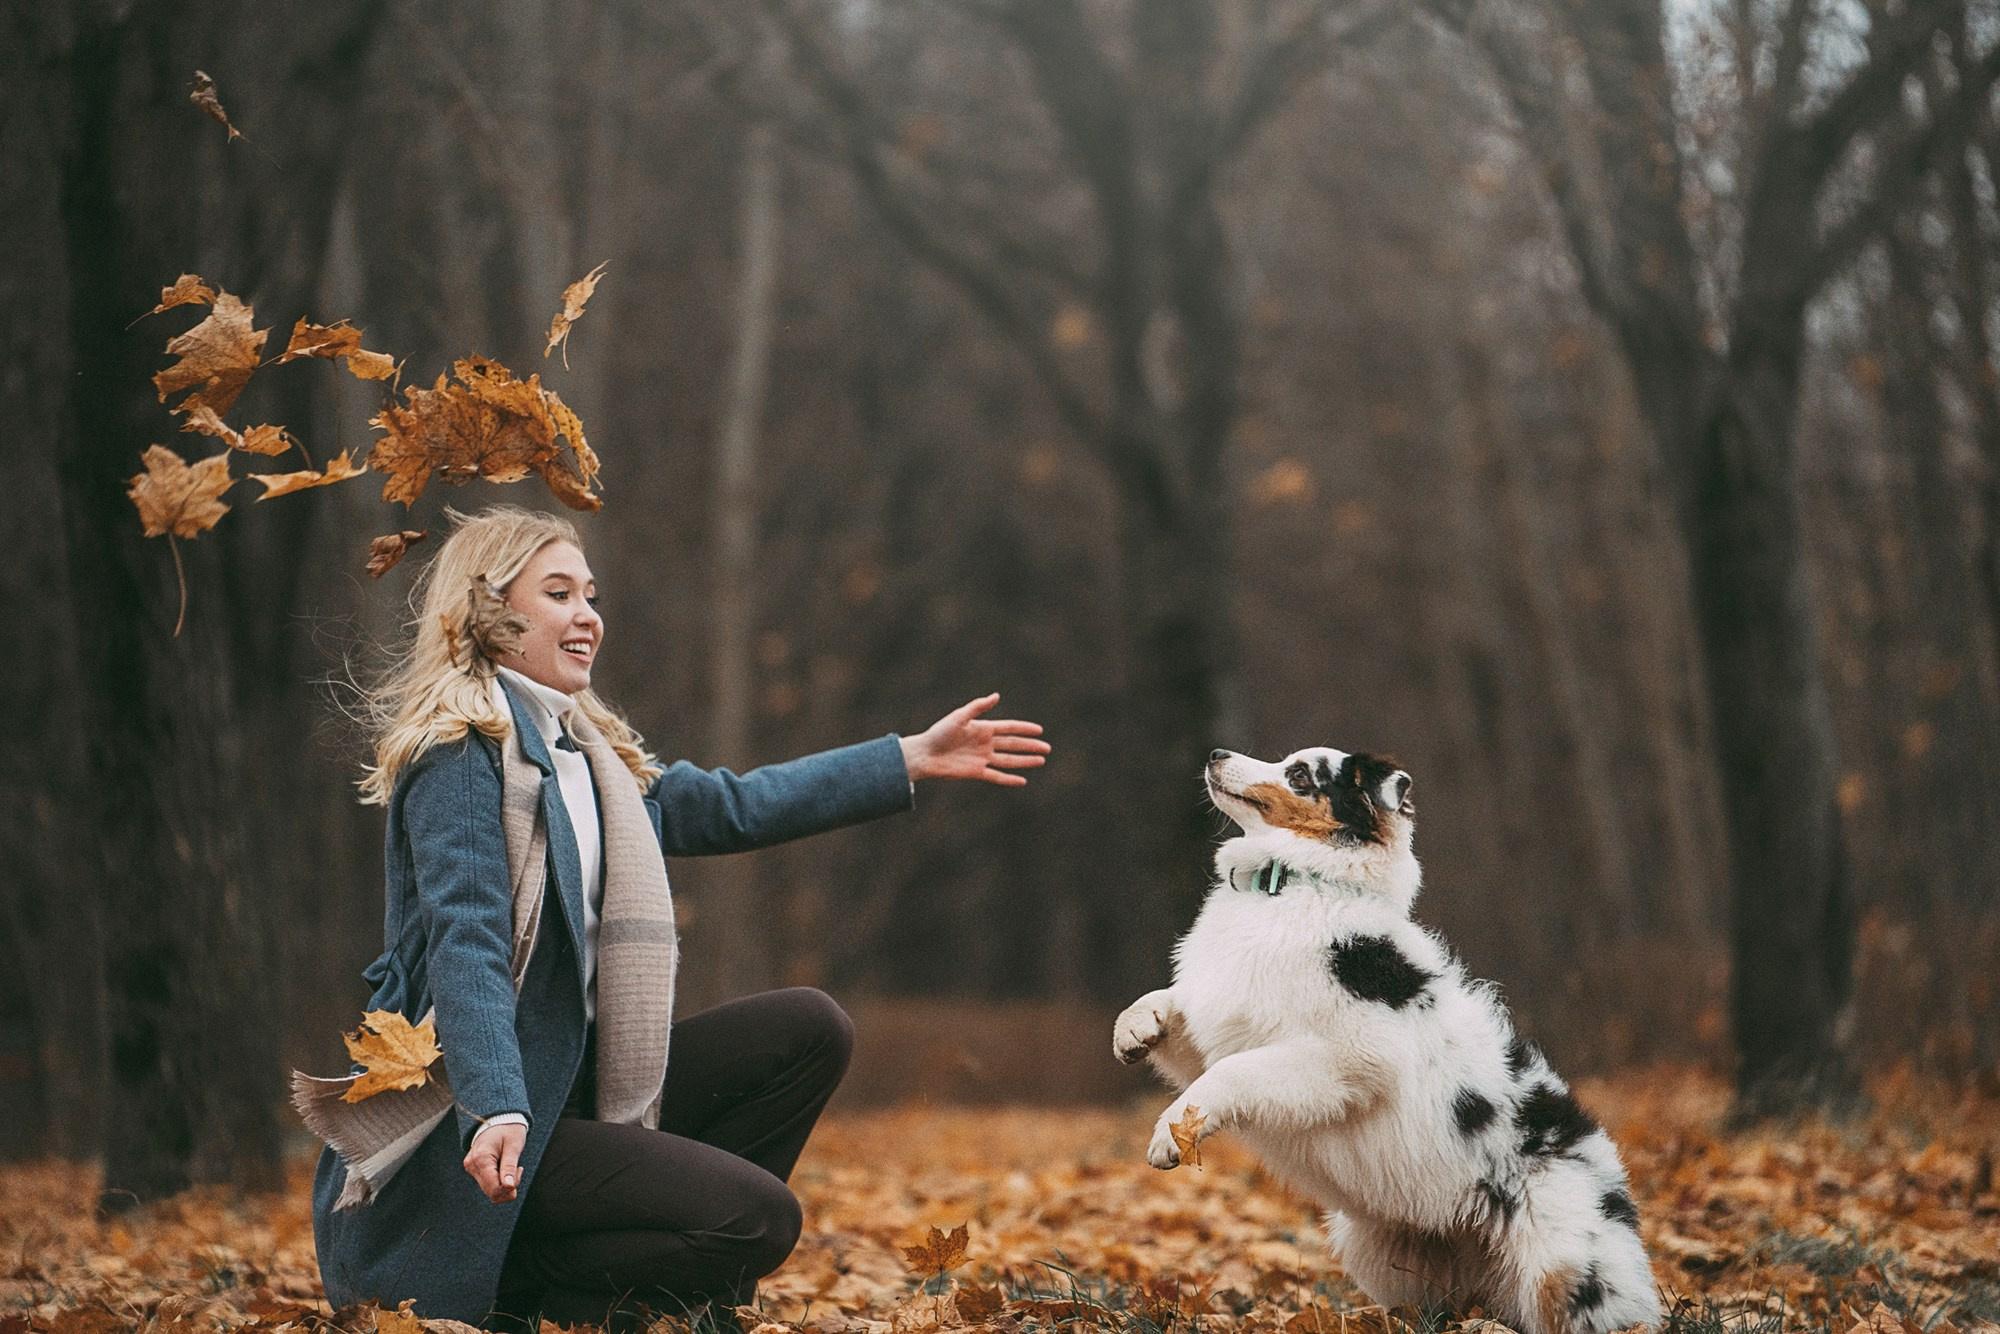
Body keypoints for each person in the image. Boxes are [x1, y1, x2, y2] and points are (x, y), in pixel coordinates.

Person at [307, 505, 1049, 1329]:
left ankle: (670, 1277)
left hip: (573, 1102)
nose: (588, 615)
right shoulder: (461, 755)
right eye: (559, 594)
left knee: (808, 1028)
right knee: (762, 1218)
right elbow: (468, 943)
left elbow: (733, 806)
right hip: (490, 1132)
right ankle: (537, 1287)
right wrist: (498, 1107)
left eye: (591, 594)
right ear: (489, 611)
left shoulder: (590, 759)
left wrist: (903, 759)